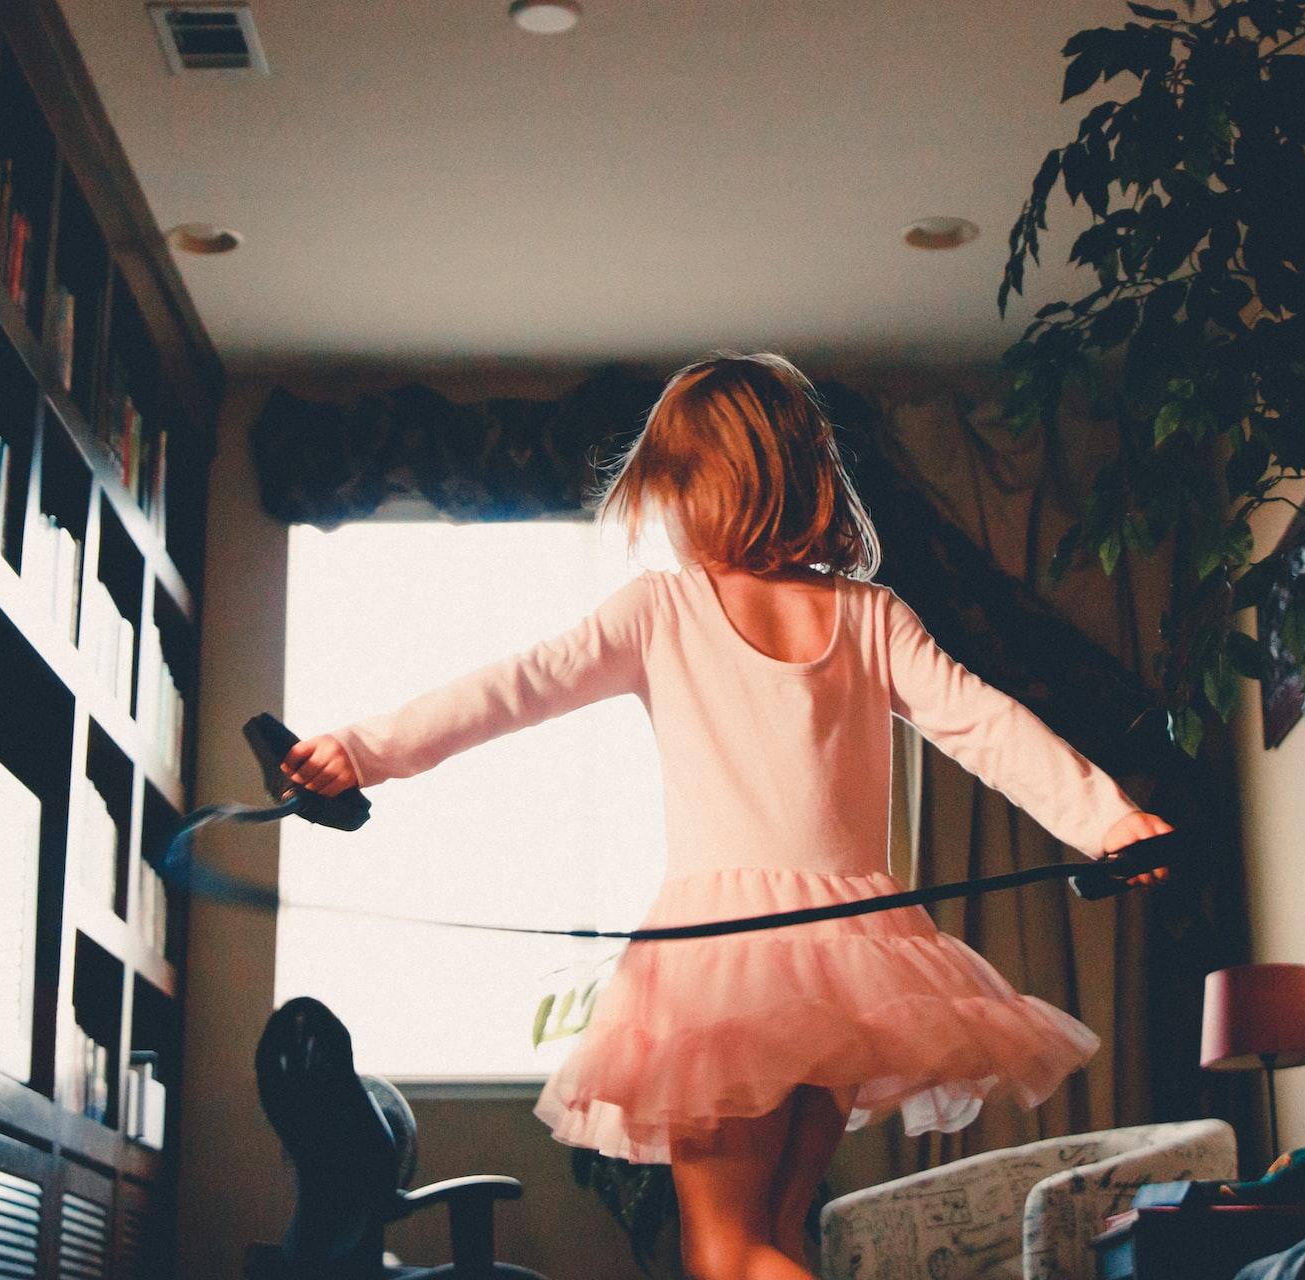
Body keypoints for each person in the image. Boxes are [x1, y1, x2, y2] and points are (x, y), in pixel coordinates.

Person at [280, 352, 1172, 1280]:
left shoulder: (661, 612)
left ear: (700, 488)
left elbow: (515, 689)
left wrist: (361, 750)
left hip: (724, 959)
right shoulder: (871, 617)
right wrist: (1110, 821)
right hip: (853, 956)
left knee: (728, 1252)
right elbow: (987, 724)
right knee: (773, 1239)